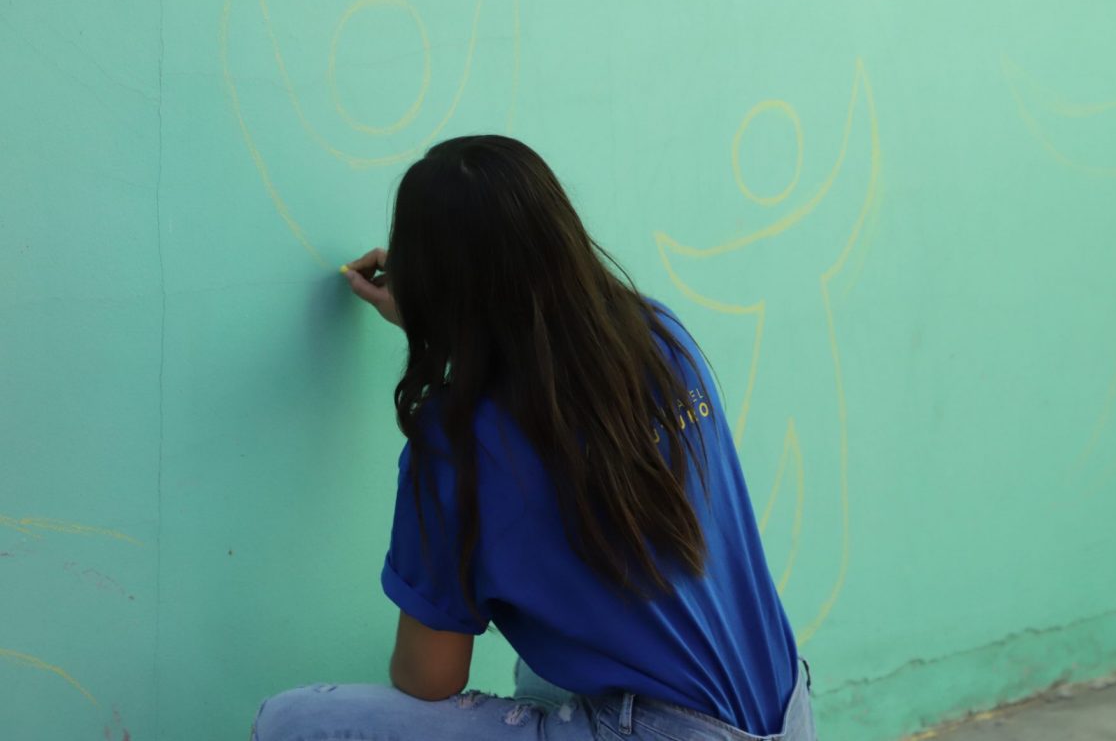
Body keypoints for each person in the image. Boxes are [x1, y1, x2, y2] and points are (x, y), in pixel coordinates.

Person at [251, 135, 817, 741]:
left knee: (291, 721)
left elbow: (429, 679)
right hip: (787, 715)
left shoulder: (455, 442)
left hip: (659, 732)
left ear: (432, 283)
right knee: (545, 665)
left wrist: (432, 319)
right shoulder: (656, 338)